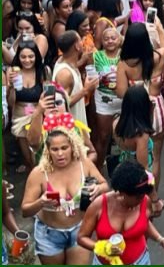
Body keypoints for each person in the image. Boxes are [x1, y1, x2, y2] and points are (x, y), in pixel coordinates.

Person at [21, 107, 107, 265]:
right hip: (49, 235)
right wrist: (41, 202)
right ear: (48, 151)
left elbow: (105, 185)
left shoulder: (84, 164)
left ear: (72, 147)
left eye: (64, 148)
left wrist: (98, 189)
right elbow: (25, 210)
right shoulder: (39, 173)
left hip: (80, 229)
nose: (60, 153)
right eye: (54, 149)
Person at [78, 161, 164, 265]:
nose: (141, 199)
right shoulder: (99, 205)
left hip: (140, 262)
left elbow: (144, 223)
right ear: (122, 193)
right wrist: (102, 248)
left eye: (143, 195)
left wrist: (162, 240)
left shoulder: (145, 200)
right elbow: (81, 238)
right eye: (137, 197)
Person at [115, 22, 164, 191]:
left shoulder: (124, 64)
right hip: (157, 109)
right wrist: (160, 29)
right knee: (156, 157)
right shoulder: (157, 57)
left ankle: (140, 192)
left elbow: (121, 92)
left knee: (137, 155)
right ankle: (153, 192)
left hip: (135, 112)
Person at [113, 85, 164, 216]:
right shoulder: (141, 135)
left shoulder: (116, 123)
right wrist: (154, 198)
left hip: (122, 172)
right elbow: (144, 170)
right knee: (140, 218)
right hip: (137, 184)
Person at [8, 41, 48, 173]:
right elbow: (10, 103)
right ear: (18, 57)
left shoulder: (43, 71)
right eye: (23, 57)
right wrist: (11, 87)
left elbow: (49, 97)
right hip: (20, 116)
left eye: (31, 56)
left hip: (38, 116)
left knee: (39, 156)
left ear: (36, 56)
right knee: (28, 158)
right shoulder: (13, 72)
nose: (27, 60)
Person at [91, 26, 123, 169]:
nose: (110, 41)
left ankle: (124, 168)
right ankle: (97, 169)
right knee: (103, 137)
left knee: (124, 136)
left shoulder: (125, 54)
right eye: (106, 39)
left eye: (113, 38)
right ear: (102, 41)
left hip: (123, 99)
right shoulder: (95, 56)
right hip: (104, 99)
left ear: (119, 40)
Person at [53, 31, 96, 128]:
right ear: (77, 46)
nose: (83, 42)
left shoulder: (63, 61)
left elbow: (72, 65)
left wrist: (83, 60)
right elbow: (61, 103)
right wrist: (85, 90)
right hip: (71, 130)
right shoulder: (65, 74)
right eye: (80, 40)